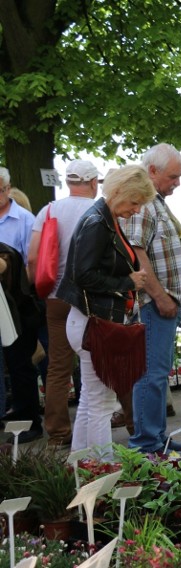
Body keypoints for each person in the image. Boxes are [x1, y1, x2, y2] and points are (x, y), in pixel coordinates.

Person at [57, 165, 155, 451]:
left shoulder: (102, 219)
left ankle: (83, 467)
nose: (136, 210)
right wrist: (128, 280)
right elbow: (82, 274)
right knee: (101, 403)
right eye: (135, 201)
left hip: (88, 321)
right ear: (121, 192)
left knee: (92, 400)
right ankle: (101, 473)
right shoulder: (98, 223)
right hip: (94, 322)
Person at [119, 143, 181, 453]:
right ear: (152, 171)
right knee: (151, 374)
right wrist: (160, 296)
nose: (177, 182)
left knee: (157, 373)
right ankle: (146, 443)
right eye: (173, 176)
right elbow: (136, 253)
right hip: (154, 304)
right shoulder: (145, 203)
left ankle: (156, 438)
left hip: (163, 303)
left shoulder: (154, 201)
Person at [27, 160, 98, 448]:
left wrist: (39, 288)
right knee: (104, 359)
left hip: (56, 297)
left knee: (58, 366)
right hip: (91, 298)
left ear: (68, 182)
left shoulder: (48, 210)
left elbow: (33, 259)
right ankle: (127, 421)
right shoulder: (98, 210)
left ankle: (57, 433)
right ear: (93, 182)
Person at [0, 166, 43, 443]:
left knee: (20, 364)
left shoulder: (25, 219)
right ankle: (13, 414)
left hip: (18, 303)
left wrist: (19, 290)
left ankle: (30, 422)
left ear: (7, 188)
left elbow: (33, 262)